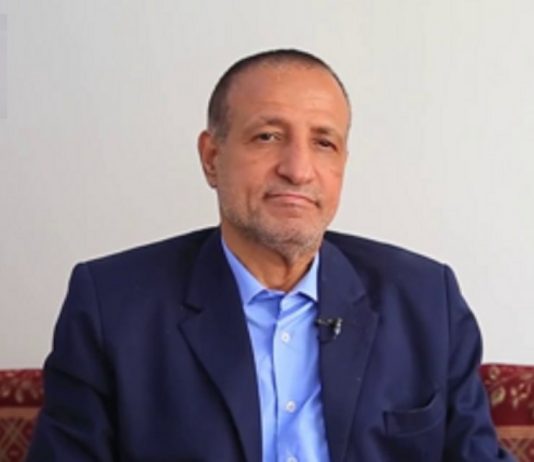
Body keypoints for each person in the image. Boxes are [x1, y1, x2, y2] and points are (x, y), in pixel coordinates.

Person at [27, 49, 514, 462]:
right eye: (268, 136)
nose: (298, 169)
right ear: (212, 158)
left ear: (342, 164)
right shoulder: (111, 307)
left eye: (323, 142)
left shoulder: (427, 302)